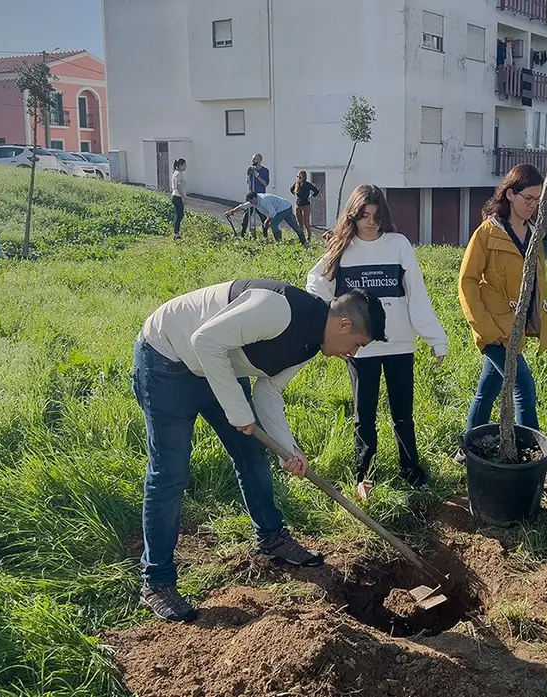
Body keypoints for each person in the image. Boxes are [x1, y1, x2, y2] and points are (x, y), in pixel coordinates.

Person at [134, 279, 387, 622]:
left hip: (218, 363)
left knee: (253, 453)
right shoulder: (276, 309)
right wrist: (239, 412)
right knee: (171, 473)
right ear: (344, 324)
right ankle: (157, 582)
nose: (353, 354)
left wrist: (288, 450)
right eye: (357, 344)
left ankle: (271, 538)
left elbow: (269, 392)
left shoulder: (311, 345)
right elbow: (205, 340)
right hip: (168, 360)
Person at [306, 184, 448, 502]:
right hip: (361, 348)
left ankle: (412, 472)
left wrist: (435, 338)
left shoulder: (398, 245)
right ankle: (364, 475)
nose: (370, 222)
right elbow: (316, 283)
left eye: (376, 215)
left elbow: (417, 295)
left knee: (403, 414)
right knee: (364, 414)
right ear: (353, 216)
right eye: (364, 216)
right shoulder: (342, 248)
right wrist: (325, 324)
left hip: (400, 345)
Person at [457, 164, 547, 492]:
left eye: (538, 199)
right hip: (493, 330)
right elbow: (466, 283)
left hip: (516, 330)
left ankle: (465, 450)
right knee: (524, 385)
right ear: (509, 194)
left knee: (488, 388)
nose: (534, 204)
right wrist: (487, 330)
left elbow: (537, 282)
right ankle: (540, 465)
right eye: (529, 198)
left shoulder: (533, 233)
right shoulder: (487, 233)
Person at [224, 192, 307, 246]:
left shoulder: (264, 200)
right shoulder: (254, 201)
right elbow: (243, 206)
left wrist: (268, 220)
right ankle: (304, 244)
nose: (251, 203)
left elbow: (273, 213)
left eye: (251, 201)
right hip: (286, 206)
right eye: (250, 202)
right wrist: (231, 212)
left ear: (255, 198)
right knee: (294, 226)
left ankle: (280, 244)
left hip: (283, 208)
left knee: (274, 224)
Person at [242, 153, 270, 236]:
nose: (253, 161)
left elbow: (265, 183)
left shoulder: (265, 170)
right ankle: (243, 233)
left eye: (255, 159)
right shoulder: (251, 169)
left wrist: (257, 175)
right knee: (246, 215)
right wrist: (249, 176)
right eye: (253, 159)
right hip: (251, 196)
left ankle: (265, 235)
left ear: (259, 160)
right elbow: (248, 182)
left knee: (263, 217)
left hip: (260, 197)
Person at [290, 170, 320, 242]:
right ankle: (301, 238)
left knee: (306, 223)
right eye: (297, 176)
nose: (298, 178)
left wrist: (311, 197)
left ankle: (309, 238)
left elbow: (316, 191)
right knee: (299, 223)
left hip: (306, 205)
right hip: (298, 205)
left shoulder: (307, 184)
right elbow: (291, 190)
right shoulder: (296, 184)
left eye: (300, 176)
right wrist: (296, 195)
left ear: (303, 177)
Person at [170, 158, 188, 239]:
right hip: (177, 197)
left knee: (179, 215)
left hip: (176, 196)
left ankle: (176, 233)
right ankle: (176, 234)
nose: (185, 167)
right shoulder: (178, 174)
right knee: (179, 215)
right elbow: (178, 186)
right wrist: (183, 197)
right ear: (180, 166)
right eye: (184, 165)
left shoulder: (176, 173)